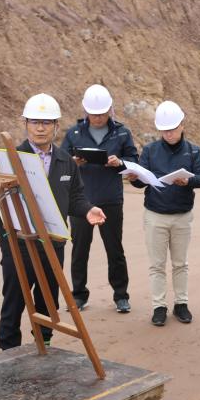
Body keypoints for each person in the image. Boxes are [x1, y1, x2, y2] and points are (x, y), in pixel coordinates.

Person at [0, 93, 106, 350]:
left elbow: (75, 197)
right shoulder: (9, 157)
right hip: (17, 244)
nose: (41, 128)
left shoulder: (66, 162)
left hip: (53, 243)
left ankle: (45, 346)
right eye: (35, 122)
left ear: (56, 126)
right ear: (25, 123)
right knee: (14, 299)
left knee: (48, 299)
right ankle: (8, 352)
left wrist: (87, 210)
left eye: (47, 122)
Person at [128, 100, 200, 327]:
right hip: (155, 214)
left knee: (181, 263)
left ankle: (181, 303)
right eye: (164, 129)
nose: (169, 133)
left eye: (172, 128)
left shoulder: (193, 150)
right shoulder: (151, 150)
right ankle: (159, 306)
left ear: (182, 124)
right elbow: (140, 183)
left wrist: (188, 180)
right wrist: (135, 178)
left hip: (182, 215)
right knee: (157, 264)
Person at [61, 84, 138, 313]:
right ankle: (78, 295)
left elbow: (134, 159)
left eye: (102, 113)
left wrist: (120, 163)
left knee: (114, 249)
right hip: (80, 201)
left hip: (110, 199)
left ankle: (121, 296)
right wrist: (73, 162)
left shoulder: (122, 133)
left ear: (110, 111)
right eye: (93, 113)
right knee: (79, 249)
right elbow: (61, 161)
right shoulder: (74, 133)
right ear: (86, 111)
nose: (97, 118)